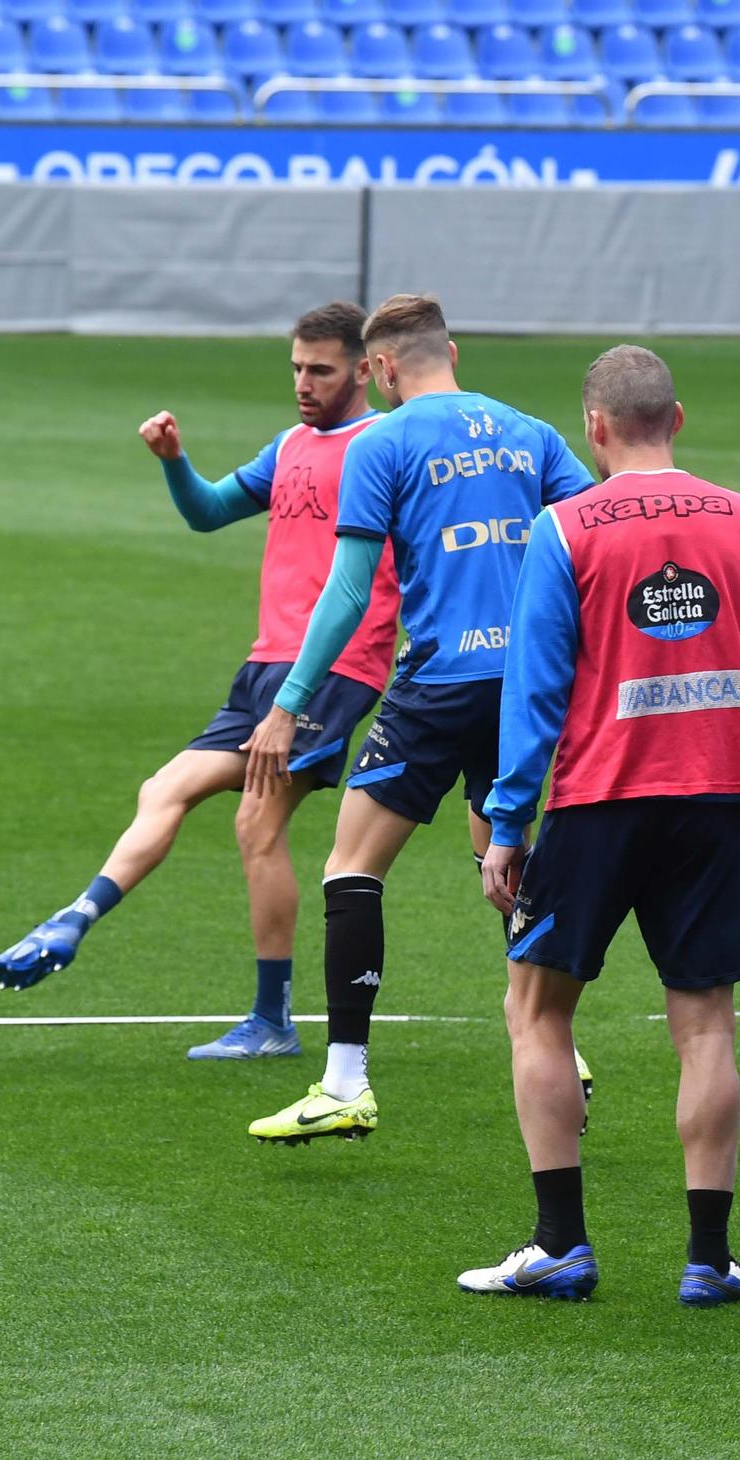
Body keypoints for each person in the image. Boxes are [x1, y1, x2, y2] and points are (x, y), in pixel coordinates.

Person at [457, 345, 740, 1305]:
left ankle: (561, 1245)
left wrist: (506, 822)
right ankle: (707, 1260)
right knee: (705, 1025)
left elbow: (533, 691)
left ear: (593, 427)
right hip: (713, 804)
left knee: (537, 1010)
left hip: (595, 804)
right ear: (678, 417)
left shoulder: (566, 526)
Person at [0, 302, 398, 1062]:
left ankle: (272, 1019)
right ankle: (74, 917)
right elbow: (209, 512)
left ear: (365, 369)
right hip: (264, 662)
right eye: (297, 368)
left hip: (333, 668)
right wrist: (175, 461)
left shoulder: (384, 447)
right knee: (163, 787)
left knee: (255, 824)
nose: (304, 384)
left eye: (322, 370)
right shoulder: (292, 445)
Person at [240, 294, 597, 1146]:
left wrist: (288, 703)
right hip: (529, 687)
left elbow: (350, 590)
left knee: (351, 867)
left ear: (383, 370)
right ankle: (559, 1045)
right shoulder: (531, 432)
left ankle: (345, 1083)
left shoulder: (383, 442)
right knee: (500, 850)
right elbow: (592, 542)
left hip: (440, 684)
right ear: (454, 352)